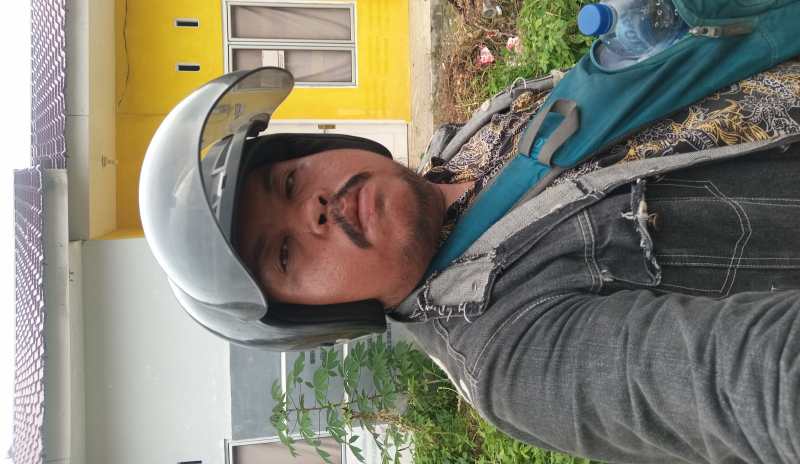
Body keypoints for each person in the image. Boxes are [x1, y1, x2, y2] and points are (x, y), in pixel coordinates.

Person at [140, 61, 800, 464]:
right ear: (317, 316)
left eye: (288, 182)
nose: (312, 210)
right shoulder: (510, 359)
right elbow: (746, 384)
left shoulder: (469, 141)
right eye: (284, 253)